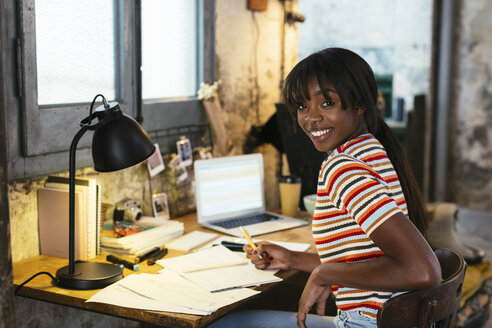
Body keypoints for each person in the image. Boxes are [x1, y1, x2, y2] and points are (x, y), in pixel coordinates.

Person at [209, 48, 441, 328]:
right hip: (377, 320)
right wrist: (294, 259)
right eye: (303, 106)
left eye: (326, 103)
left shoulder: (343, 168)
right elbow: (366, 255)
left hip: (364, 323)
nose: (311, 118)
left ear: (359, 105)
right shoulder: (370, 149)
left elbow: (423, 270)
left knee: (223, 324)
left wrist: (323, 273)